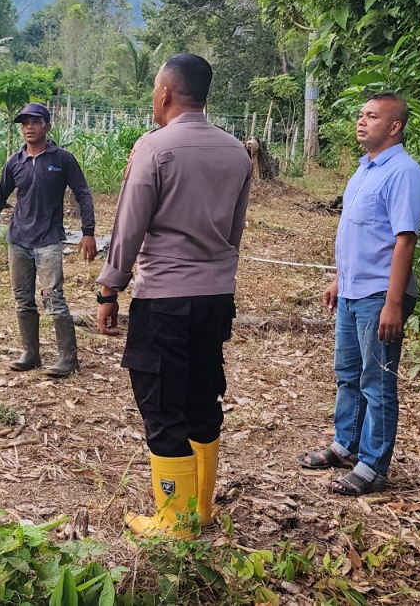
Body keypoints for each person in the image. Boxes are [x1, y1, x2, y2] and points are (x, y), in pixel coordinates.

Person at [97, 54, 253, 538]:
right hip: (216, 297)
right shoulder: (237, 152)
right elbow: (234, 231)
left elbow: (129, 226)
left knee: (161, 403)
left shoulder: (154, 148)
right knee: (202, 397)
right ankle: (200, 509)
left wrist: (109, 287)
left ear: (165, 93)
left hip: (164, 297)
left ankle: (174, 521)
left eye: (154, 90)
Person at [299, 91, 420, 496]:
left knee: (377, 381)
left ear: (394, 126)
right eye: (361, 114)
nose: (361, 121)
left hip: (379, 295)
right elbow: (361, 233)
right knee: (348, 374)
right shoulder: (364, 170)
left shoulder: (403, 172)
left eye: (372, 116)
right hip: (353, 291)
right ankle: (346, 445)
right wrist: (340, 279)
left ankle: (374, 465)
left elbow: (404, 240)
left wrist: (393, 303)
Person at [0, 103, 98, 378]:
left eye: (35, 121)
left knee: (53, 297)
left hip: (48, 240)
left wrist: (88, 232)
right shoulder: (15, 161)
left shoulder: (62, 159)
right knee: (22, 299)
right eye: (24, 123)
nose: (29, 127)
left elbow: (83, 194)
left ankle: (68, 359)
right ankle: (31, 354)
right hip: (18, 239)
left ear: (47, 126)